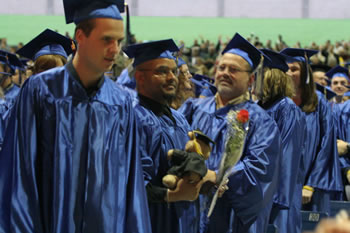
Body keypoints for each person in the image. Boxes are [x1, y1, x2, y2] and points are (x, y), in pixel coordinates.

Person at [0, 0, 151, 232]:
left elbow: (133, 189)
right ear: (80, 37)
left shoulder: (121, 103)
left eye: (119, 41)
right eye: (106, 40)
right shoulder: (40, 91)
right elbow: (20, 175)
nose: (115, 50)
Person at [179, 33, 281, 233]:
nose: (225, 73)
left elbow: (260, 169)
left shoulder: (260, 120)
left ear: (250, 79)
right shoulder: (194, 108)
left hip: (229, 218)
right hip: (190, 208)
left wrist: (217, 177)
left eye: (233, 69)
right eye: (221, 67)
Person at [123, 39, 217, 233]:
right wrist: (171, 195)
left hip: (185, 221)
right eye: (162, 71)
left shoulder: (179, 118)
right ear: (139, 77)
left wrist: (204, 181)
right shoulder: (134, 118)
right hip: (153, 223)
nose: (172, 77)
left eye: (174, 71)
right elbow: (131, 183)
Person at [281, 48, 343, 216]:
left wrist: (311, 184)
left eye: (294, 69)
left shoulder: (318, 103)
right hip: (282, 187)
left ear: (305, 74)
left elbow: (327, 145)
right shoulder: (279, 103)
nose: (288, 73)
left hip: (312, 187)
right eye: (285, 69)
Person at [258, 49, 306, 233]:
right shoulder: (257, 107)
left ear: (272, 77)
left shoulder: (287, 109)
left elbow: (288, 156)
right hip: (258, 193)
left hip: (278, 196)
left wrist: (276, 197)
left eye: (259, 74)